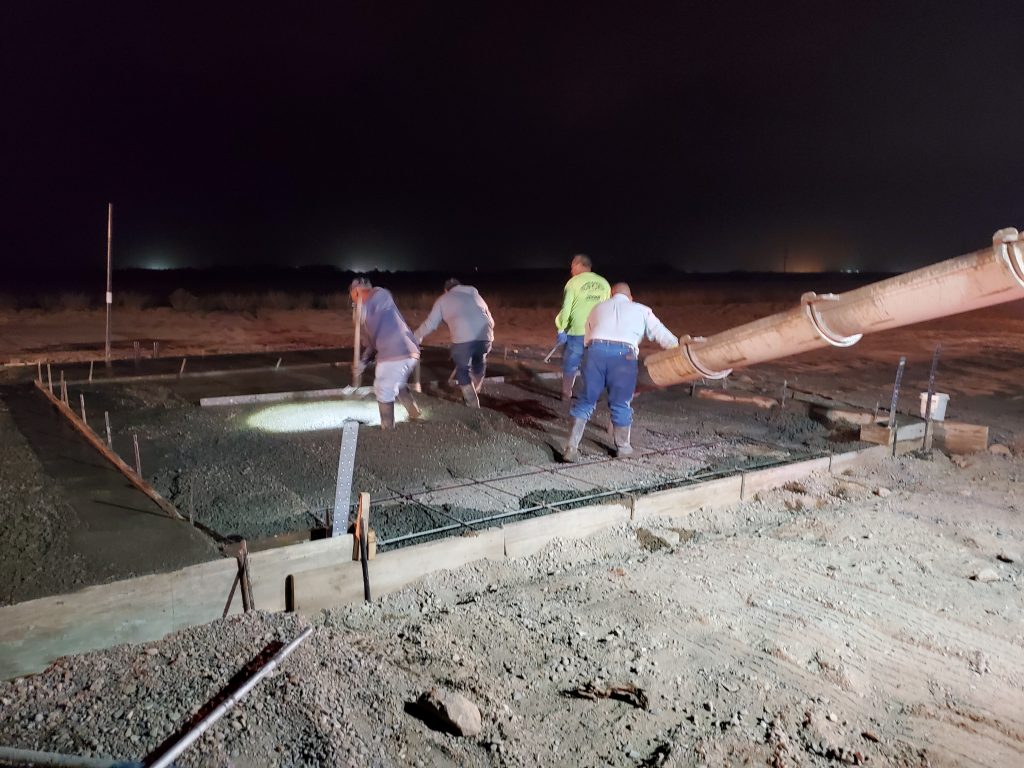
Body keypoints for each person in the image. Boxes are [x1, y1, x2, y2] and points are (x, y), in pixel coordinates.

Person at [563, 282, 678, 461]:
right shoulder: (641, 310)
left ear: (611, 295)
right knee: (621, 403)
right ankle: (623, 449)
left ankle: (571, 447)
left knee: (585, 401)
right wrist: (678, 347)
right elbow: (661, 334)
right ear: (630, 298)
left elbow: (587, 338)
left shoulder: (597, 308)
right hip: (624, 358)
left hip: (595, 354)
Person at [349, 277, 422, 429]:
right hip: (402, 353)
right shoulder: (367, 320)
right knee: (398, 382)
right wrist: (362, 363)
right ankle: (415, 415)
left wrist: (365, 305)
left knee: (383, 387)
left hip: (399, 351)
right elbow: (372, 345)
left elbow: (379, 299)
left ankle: (387, 431)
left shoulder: (379, 294)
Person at [414, 278, 495, 408]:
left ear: (446, 290)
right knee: (479, 363)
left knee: (463, 370)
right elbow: (490, 318)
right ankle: (475, 388)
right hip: (486, 337)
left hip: (463, 341)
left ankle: (472, 404)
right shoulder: (475, 294)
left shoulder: (443, 299)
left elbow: (431, 324)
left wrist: (416, 336)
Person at [555, 254, 610, 401]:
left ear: (579, 265)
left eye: (572, 267)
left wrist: (561, 328)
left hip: (577, 332)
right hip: (598, 333)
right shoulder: (604, 283)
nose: (571, 270)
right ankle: (591, 394)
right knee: (593, 365)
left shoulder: (573, 283)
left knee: (571, 363)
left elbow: (566, 308)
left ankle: (566, 394)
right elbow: (607, 308)